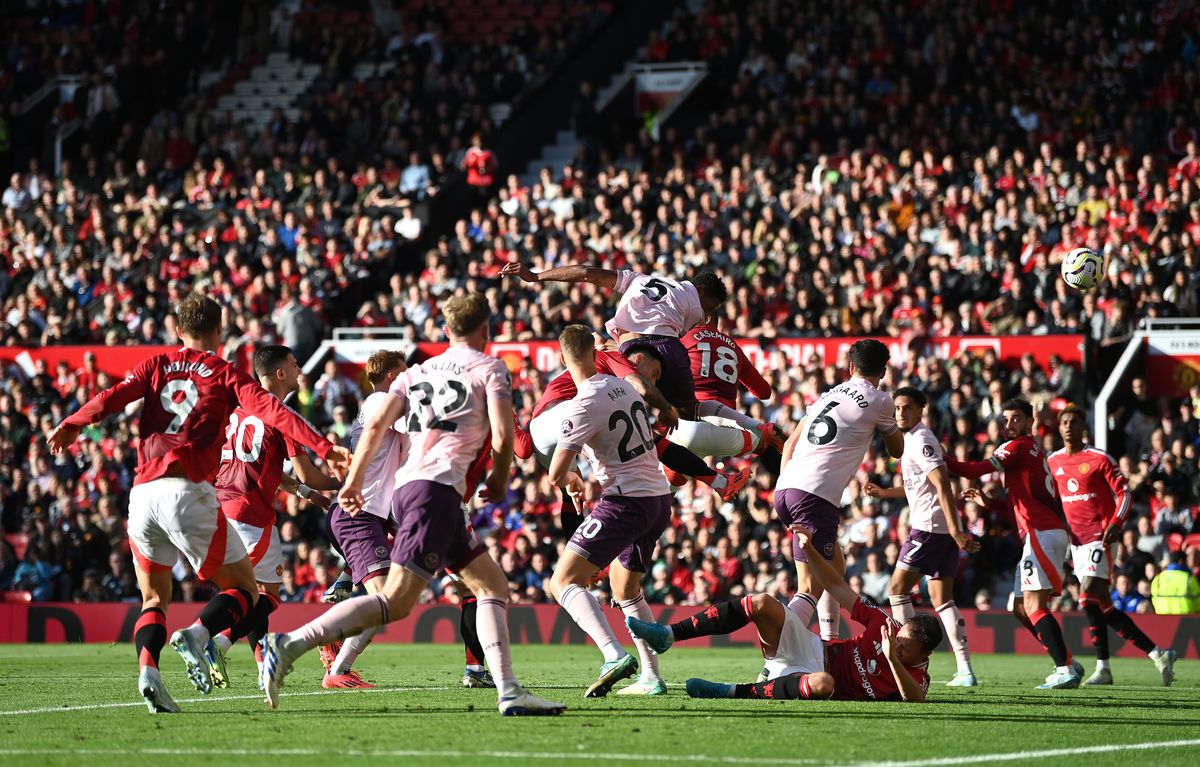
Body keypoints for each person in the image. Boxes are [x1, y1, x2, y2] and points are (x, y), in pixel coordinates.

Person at [259, 293, 564, 716]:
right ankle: (288, 644)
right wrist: (496, 478)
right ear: (486, 331)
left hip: (416, 493)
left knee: (492, 585)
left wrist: (352, 479)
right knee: (395, 602)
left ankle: (509, 690)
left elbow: (377, 426)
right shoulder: (490, 368)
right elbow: (502, 435)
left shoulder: (416, 374)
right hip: (434, 491)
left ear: (444, 332)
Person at [46, 293, 350, 714]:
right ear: (218, 331)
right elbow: (273, 412)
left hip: (142, 496)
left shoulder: (155, 365)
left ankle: (149, 674)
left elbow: (115, 395)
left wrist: (72, 423)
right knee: (245, 589)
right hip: (188, 491)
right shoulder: (224, 372)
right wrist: (324, 445)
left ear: (177, 331)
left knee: (154, 599)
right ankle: (202, 635)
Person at [323, 350, 496, 691]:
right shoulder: (381, 403)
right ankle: (331, 654)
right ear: (392, 376)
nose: (411, 378)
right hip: (364, 514)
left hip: (380, 513)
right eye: (404, 372)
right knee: (390, 598)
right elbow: (427, 420)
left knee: (407, 594)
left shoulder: (382, 407)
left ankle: (342, 589)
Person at [628, 524, 939, 703]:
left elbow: (916, 700)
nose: (895, 644)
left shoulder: (917, 675)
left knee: (823, 684)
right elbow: (836, 584)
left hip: (814, 678)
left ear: (922, 655)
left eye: (903, 648)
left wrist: (893, 659)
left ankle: (731, 692)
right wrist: (810, 549)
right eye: (898, 639)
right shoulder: (886, 624)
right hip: (814, 648)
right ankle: (668, 635)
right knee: (762, 602)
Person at [543, 325, 676, 697]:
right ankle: (651, 677)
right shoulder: (622, 387)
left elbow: (555, 473)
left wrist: (570, 478)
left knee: (563, 581)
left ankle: (612, 654)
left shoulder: (582, 403)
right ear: (594, 353)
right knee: (627, 589)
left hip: (625, 502)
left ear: (565, 358)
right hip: (657, 499)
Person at [209, 345, 342, 688]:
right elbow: (310, 472)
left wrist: (305, 494)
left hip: (221, 509)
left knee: (253, 591)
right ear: (280, 373)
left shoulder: (239, 412)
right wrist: (344, 481)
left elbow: (272, 472)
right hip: (251, 513)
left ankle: (262, 666)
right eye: (296, 365)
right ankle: (216, 642)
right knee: (267, 595)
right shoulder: (282, 415)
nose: (300, 371)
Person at [774, 339, 903, 641]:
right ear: (883, 370)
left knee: (834, 566)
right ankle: (777, 656)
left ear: (850, 367)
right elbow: (896, 450)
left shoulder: (826, 395)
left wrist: (788, 483)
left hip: (787, 487)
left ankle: (830, 640)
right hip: (814, 496)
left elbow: (791, 442)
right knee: (809, 586)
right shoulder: (881, 400)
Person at [948, 398, 1078, 689]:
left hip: (1040, 534)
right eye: (1005, 420)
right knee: (1020, 607)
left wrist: (939, 457)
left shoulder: (1016, 447)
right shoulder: (1033, 452)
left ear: (1030, 421)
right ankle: (1066, 658)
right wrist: (991, 504)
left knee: (1033, 605)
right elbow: (1019, 506)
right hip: (1043, 531)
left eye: (1016, 418)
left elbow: (975, 470)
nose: (1009, 425)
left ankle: (1065, 668)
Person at [499, 261, 728, 419]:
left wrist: (537, 276)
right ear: (699, 290)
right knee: (691, 412)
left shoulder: (638, 279)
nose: (705, 312)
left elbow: (586, 272)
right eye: (708, 307)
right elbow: (708, 324)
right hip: (666, 347)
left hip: (630, 349)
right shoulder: (696, 306)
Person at [1048, 405, 1177, 686]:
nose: (1068, 425)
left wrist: (1117, 522)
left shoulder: (1098, 458)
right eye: (1064, 422)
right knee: (1102, 606)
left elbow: (1124, 492)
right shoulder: (1054, 462)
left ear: (1084, 427)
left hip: (1101, 537)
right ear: (1059, 428)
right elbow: (1048, 499)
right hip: (1077, 544)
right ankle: (1158, 654)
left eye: (1074, 421)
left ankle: (1103, 668)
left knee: (1085, 598)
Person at [864, 386, 982, 687]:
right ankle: (965, 670)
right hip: (938, 528)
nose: (900, 413)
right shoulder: (912, 442)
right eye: (897, 408)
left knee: (897, 589)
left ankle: (910, 656)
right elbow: (919, 486)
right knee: (943, 600)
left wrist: (957, 530)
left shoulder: (922, 440)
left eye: (906, 408)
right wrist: (885, 493)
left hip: (929, 528)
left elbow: (943, 485)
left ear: (920, 410)